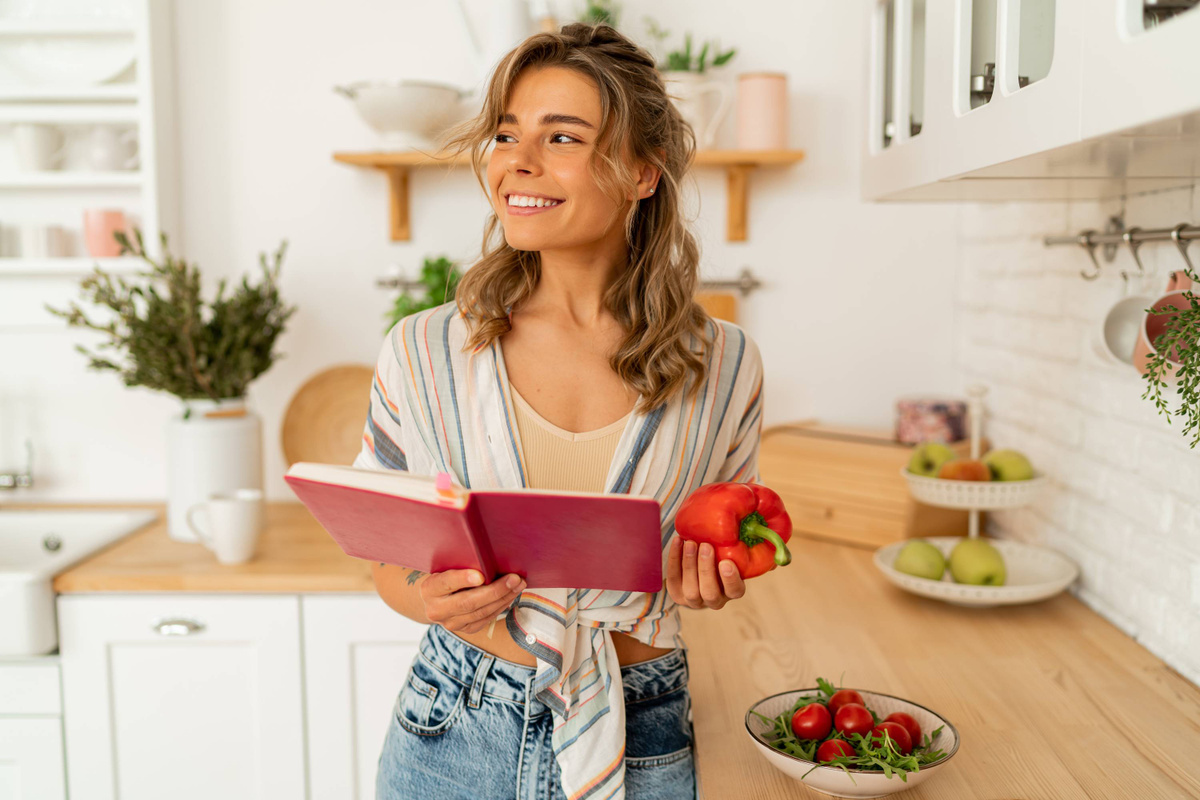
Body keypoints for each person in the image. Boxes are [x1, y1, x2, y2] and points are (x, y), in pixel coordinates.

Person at [355, 22, 765, 800]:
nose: (518, 160)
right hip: (453, 727)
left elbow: (724, 544)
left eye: (562, 137)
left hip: (643, 727)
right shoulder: (422, 350)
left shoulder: (725, 364)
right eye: (507, 134)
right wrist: (425, 597)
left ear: (643, 172)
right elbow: (386, 561)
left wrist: (708, 581)